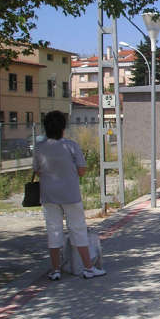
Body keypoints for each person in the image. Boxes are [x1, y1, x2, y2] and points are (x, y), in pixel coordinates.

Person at [33, 110, 105, 280]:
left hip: (49, 195)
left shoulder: (40, 147)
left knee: (53, 231)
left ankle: (55, 270)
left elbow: (37, 170)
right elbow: (81, 170)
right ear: (63, 127)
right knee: (77, 229)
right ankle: (88, 268)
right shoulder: (71, 146)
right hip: (70, 194)